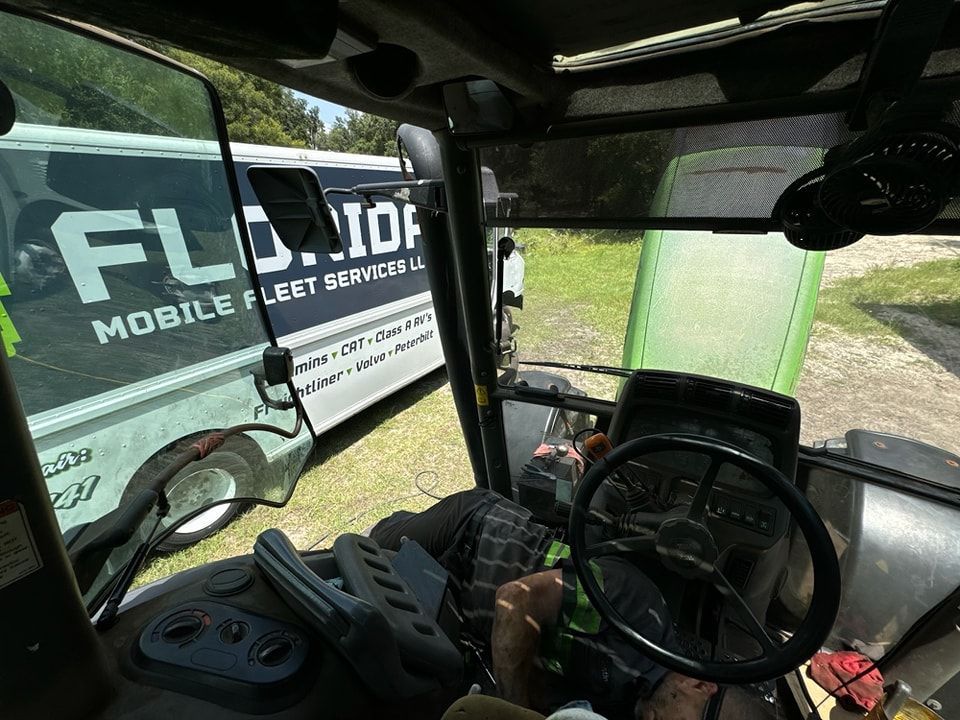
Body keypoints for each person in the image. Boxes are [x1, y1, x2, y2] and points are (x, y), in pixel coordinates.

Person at [370, 488, 718, 720]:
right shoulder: (639, 609)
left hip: (459, 614)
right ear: (699, 684)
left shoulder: (623, 705)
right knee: (368, 549)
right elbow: (515, 599)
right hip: (474, 530)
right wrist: (512, 713)